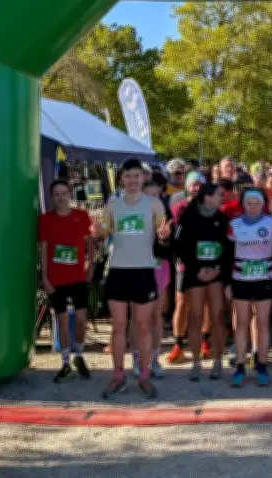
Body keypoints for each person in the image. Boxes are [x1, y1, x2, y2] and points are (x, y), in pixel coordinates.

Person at [99, 158, 169, 399]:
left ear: (143, 178)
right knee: (118, 327)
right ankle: (118, 375)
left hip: (143, 271)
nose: (132, 180)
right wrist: (97, 232)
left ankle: (144, 376)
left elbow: (163, 236)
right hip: (118, 270)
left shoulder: (154, 204)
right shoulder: (113, 205)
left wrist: (163, 236)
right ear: (121, 179)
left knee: (143, 326)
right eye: (127, 176)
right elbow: (104, 230)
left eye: (136, 176)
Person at [173, 183, 231, 381]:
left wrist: (217, 270)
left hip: (217, 273)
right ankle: (196, 362)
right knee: (196, 316)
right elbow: (179, 247)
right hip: (194, 273)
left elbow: (228, 248)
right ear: (207, 197)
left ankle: (217, 361)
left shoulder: (222, 219)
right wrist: (197, 269)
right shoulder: (188, 217)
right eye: (218, 195)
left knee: (217, 315)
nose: (222, 198)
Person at [39, 179, 95, 383]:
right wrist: (44, 277)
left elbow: (91, 242)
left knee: (81, 320)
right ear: (52, 196)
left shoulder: (81, 216)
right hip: (56, 278)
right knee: (61, 321)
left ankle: (79, 355)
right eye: (56, 194)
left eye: (63, 193)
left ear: (70, 194)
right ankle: (64, 362)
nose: (60, 197)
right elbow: (44, 249)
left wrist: (92, 264)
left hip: (78, 277)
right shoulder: (46, 220)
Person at [227, 189, 272, 387]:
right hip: (241, 278)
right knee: (241, 322)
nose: (252, 207)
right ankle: (240, 365)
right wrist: (227, 283)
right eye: (248, 203)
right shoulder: (234, 224)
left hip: (264, 278)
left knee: (263, 323)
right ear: (243, 204)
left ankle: (262, 364)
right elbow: (228, 254)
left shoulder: (271, 223)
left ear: (263, 204)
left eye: (256, 203)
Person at [142, 178, 174, 378]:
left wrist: (163, 238)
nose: (154, 199)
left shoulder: (166, 217)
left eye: (157, 195)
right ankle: (138, 360)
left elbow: (170, 248)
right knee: (138, 318)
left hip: (159, 268)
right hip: (137, 268)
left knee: (155, 316)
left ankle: (155, 359)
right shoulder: (134, 215)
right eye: (149, 196)